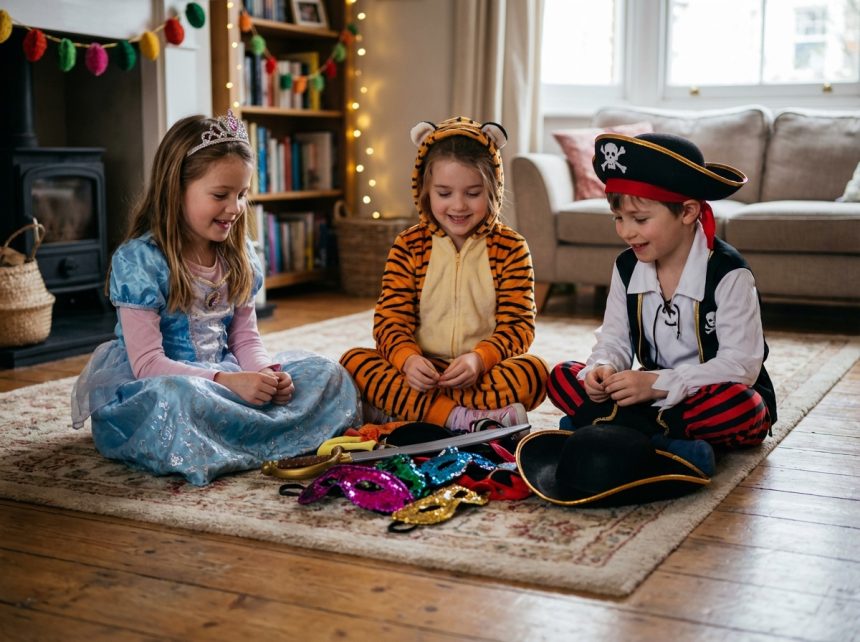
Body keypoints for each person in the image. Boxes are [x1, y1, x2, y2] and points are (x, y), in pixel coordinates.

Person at [71, 111, 360, 485]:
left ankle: (244, 435)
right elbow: (147, 365)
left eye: (242, 195)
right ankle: (261, 435)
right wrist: (226, 381)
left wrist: (265, 375)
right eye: (220, 195)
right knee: (177, 399)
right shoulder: (141, 260)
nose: (235, 208)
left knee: (327, 373)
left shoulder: (238, 255)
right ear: (176, 189)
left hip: (225, 379)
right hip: (163, 386)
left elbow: (245, 338)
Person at [547, 132, 777, 475]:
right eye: (618, 218)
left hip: (705, 394)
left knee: (744, 409)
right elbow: (614, 339)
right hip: (649, 394)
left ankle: (622, 431)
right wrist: (604, 368)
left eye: (639, 220)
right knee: (563, 376)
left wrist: (659, 383)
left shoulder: (729, 273)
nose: (626, 232)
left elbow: (741, 365)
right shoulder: (627, 267)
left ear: (687, 212)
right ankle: (665, 440)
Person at [340, 116, 548, 432]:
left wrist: (479, 359)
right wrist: (408, 360)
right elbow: (390, 320)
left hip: (481, 372)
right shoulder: (409, 245)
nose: (459, 205)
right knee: (353, 363)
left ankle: (412, 410)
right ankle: (461, 419)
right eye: (444, 193)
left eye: (473, 193)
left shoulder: (511, 247)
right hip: (421, 370)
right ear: (425, 190)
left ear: (493, 187)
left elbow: (519, 326)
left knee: (534, 372)